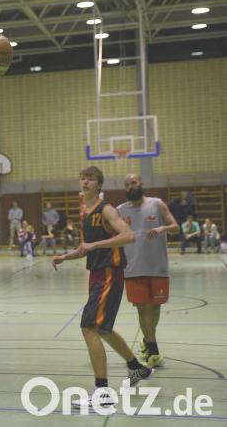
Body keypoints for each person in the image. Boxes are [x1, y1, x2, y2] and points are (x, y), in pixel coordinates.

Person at [52, 166, 152, 409]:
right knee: (104, 329)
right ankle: (136, 368)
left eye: (91, 179)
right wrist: (66, 256)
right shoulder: (85, 212)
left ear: (99, 184)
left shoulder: (106, 209)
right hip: (97, 273)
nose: (85, 182)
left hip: (109, 273)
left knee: (89, 327)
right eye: (82, 178)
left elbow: (128, 236)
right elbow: (86, 247)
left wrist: (95, 246)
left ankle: (102, 392)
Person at [117, 174, 178, 368]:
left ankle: (147, 340)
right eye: (127, 184)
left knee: (155, 308)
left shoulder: (157, 204)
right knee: (143, 308)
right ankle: (153, 351)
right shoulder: (120, 210)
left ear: (141, 184)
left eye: (133, 183)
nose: (130, 186)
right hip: (132, 267)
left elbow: (175, 227)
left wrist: (163, 228)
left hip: (157, 266)